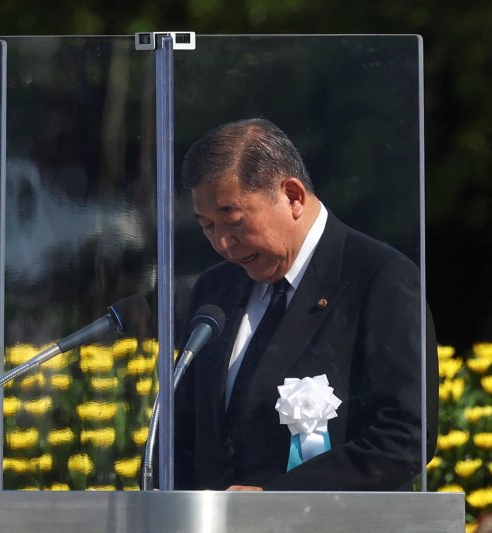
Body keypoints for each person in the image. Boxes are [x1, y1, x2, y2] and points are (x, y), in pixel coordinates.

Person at [173, 118, 438, 491]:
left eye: (233, 221)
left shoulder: (379, 277)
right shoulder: (215, 290)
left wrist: (276, 499)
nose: (223, 244)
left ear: (293, 196)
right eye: (207, 227)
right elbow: (182, 433)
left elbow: (405, 436)